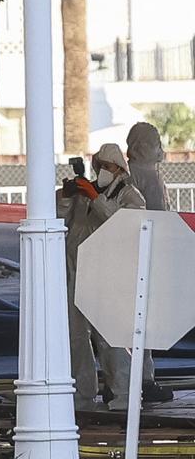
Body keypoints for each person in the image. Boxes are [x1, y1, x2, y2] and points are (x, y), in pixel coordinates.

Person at [58, 144, 145, 411]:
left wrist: (95, 196)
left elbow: (122, 225)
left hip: (108, 275)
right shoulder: (86, 193)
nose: (102, 171)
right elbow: (62, 217)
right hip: (77, 269)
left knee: (110, 337)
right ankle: (81, 394)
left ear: (120, 168)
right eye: (100, 166)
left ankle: (125, 394)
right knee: (76, 337)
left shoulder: (130, 196)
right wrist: (67, 194)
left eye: (108, 166)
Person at [125, 122, 172, 403]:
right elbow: (159, 218)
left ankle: (125, 377)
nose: (162, 151)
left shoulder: (129, 175)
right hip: (145, 255)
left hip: (129, 253)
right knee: (144, 320)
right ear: (143, 148)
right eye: (156, 145)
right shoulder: (148, 177)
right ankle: (144, 379)